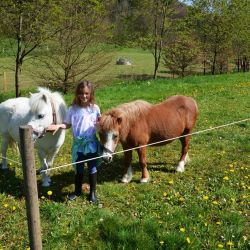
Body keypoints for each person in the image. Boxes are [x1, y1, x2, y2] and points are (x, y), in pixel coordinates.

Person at [46, 80, 101, 203]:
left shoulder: (95, 108)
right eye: (81, 93)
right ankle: (77, 191)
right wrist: (59, 126)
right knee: (79, 168)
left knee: (92, 168)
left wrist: (100, 125)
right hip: (78, 146)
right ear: (77, 94)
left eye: (87, 93)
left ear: (91, 94)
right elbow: (67, 124)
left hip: (91, 144)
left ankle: (92, 193)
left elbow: (100, 122)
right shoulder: (72, 109)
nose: (84, 96)